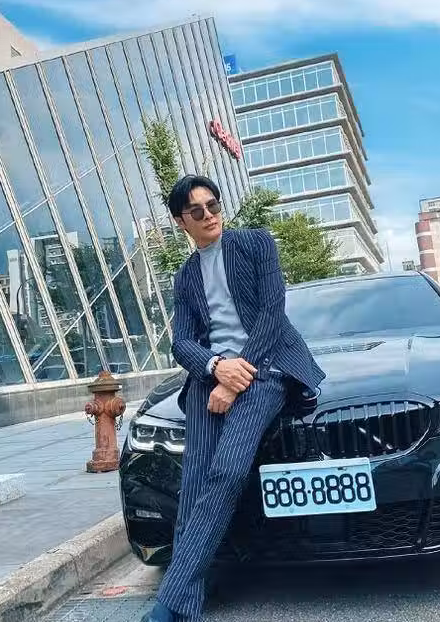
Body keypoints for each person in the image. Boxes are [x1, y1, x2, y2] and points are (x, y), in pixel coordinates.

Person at [141, 175, 326, 622]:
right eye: (197, 211)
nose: (209, 215)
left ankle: (167, 605)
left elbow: (272, 312)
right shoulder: (185, 276)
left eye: (214, 205)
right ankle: (185, 605)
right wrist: (213, 368)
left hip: (266, 369)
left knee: (226, 472)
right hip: (211, 378)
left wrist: (234, 376)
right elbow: (181, 342)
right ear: (181, 221)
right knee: (194, 483)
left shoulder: (255, 243)